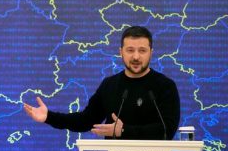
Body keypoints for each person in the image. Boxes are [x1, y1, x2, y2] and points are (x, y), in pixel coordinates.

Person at [24, 26, 180, 140]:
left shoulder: (165, 86)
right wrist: (48, 117)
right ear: (121, 52)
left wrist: (124, 131)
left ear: (151, 53)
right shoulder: (110, 85)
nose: (136, 57)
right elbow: (86, 121)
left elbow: (167, 129)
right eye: (130, 50)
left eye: (142, 50)